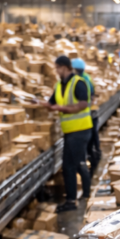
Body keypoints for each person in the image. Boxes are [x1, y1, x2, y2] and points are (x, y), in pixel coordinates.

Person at [40, 55, 91, 213]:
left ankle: (72, 200)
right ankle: (82, 195)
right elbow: (52, 103)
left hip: (80, 129)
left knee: (70, 165)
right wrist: (39, 103)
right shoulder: (59, 85)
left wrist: (61, 109)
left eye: (57, 68)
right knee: (74, 163)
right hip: (70, 131)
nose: (56, 71)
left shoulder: (78, 83)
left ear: (64, 67)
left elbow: (83, 104)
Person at [72, 58, 101, 175]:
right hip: (90, 114)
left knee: (87, 145)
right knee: (93, 140)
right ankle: (95, 158)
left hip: (84, 118)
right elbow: (93, 93)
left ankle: (91, 165)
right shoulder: (87, 78)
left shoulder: (78, 81)